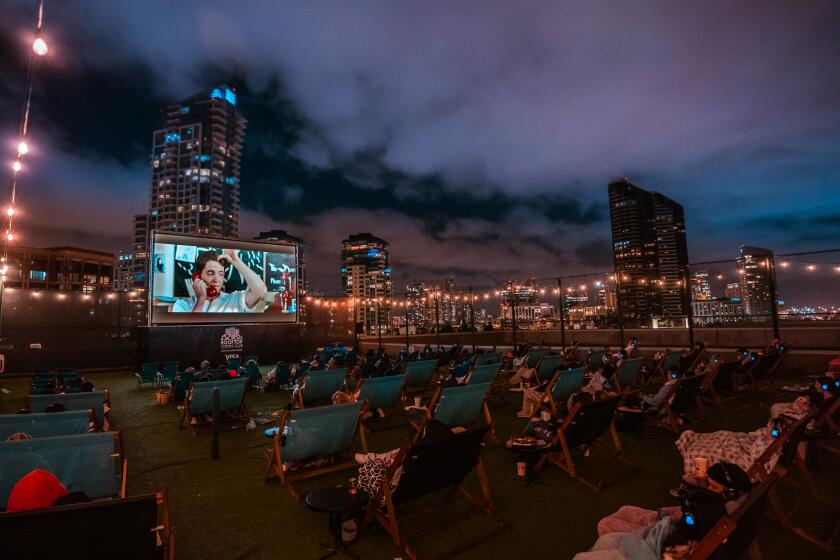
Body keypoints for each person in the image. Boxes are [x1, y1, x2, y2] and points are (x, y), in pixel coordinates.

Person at [675, 415, 794, 477]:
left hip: (742, 462)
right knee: (721, 435)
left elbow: (749, 461)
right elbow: (755, 436)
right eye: (768, 427)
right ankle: (693, 439)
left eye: (773, 432)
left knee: (698, 452)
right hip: (743, 445)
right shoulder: (769, 439)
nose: (769, 431)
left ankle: (698, 476)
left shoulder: (768, 447)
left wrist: (734, 441)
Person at [172, 248, 268, 313]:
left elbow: (260, 291)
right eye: (210, 273)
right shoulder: (182, 305)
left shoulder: (235, 299)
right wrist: (201, 299)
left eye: (221, 274)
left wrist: (235, 261)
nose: (216, 279)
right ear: (198, 276)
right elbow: (187, 333)